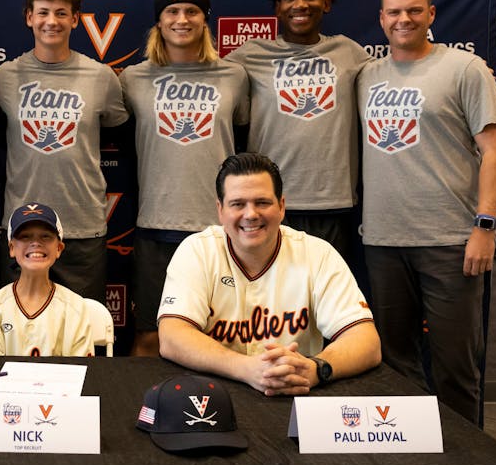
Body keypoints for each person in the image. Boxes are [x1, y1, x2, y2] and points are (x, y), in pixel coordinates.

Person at [357, 0, 496, 425]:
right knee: (394, 364)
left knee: (455, 369)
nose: (404, 19)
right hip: (383, 241)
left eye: (414, 10)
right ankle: (414, 462)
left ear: (431, 15)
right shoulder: (367, 75)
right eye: (395, 12)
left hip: (450, 242)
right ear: (381, 19)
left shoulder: (465, 69)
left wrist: (485, 227)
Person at [157, 153, 381, 396]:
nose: (251, 214)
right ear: (220, 210)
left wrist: (317, 368)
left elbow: (366, 341)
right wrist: (246, 369)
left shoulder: (317, 253)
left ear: (282, 206)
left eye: (262, 202)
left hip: (294, 392)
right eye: (238, 204)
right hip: (212, 395)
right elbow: (172, 336)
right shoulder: (198, 250)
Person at [119, 0, 250, 357]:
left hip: (221, 230)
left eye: (192, 10)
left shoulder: (235, 76)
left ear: (205, 18)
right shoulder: (133, 78)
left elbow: (240, 131)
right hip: (155, 227)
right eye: (171, 11)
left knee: (223, 339)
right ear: (159, 21)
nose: (182, 19)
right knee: (148, 337)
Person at [0, 0, 128, 302]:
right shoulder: (4, 77)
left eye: (61, 13)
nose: (51, 21)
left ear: (75, 19)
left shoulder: (101, 77)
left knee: (85, 335)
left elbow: (117, 127)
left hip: (82, 225)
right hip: (23, 228)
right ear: (29, 17)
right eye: (43, 12)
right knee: (21, 334)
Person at [226, 0, 370, 264]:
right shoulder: (250, 56)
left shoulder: (349, 52)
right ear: (277, 8)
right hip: (268, 203)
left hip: (332, 202)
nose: (300, 4)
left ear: (326, 3)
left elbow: (394, 77)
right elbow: (205, 74)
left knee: (325, 302)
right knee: (272, 300)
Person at [0, 202, 94, 357]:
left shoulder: (75, 307)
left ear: (59, 248)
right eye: (25, 236)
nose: (36, 243)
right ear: (11, 248)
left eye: (45, 236)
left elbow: (80, 372)